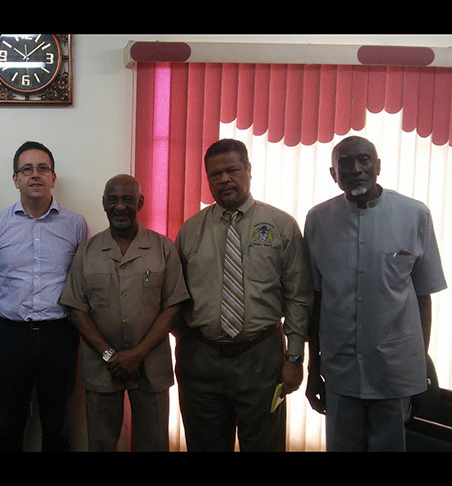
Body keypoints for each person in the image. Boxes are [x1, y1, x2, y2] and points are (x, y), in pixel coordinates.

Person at [304, 135, 446, 451]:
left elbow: (423, 296)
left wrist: (418, 370)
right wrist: (314, 369)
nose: (355, 168)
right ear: (333, 174)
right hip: (340, 369)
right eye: (344, 163)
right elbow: (316, 299)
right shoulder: (318, 219)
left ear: (378, 166)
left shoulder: (414, 214)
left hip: (394, 370)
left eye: (364, 159)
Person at [174, 138, 313, 451]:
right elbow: (175, 296)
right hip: (202, 359)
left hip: (261, 357)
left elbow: (299, 297)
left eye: (232, 170)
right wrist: (188, 343)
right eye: (215, 174)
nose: (224, 179)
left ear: (249, 170)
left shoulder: (280, 226)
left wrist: (294, 357)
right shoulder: (190, 230)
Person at [60, 174, 189, 451]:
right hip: (102, 365)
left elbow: (174, 307)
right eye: (114, 200)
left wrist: (137, 354)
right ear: (104, 203)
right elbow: (76, 309)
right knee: (102, 443)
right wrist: (110, 354)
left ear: (140, 202)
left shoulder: (164, 248)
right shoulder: (87, 251)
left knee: (154, 443)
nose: (120, 207)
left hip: (151, 366)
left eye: (128, 200)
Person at [0, 141, 88, 451]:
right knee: (9, 422)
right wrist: (6, 316)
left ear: (53, 177)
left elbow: (81, 283)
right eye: (27, 169)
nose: (35, 174)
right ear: (16, 179)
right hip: (11, 336)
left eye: (43, 168)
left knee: (58, 425)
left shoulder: (75, 224)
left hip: (60, 336)